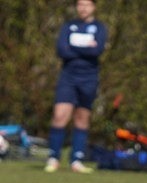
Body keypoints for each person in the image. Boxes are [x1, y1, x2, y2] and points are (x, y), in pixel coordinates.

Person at [45, 0, 107, 173]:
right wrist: (86, 47)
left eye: (86, 5)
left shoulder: (100, 28)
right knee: (60, 115)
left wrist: (74, 47)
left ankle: (76, 160)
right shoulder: (69, 26)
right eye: (80, 4)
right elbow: (61, 50)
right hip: (68, 77)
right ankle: (53, 158)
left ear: (93, 6)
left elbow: (97, 50)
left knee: (82, 117)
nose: (83, 8)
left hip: (89, 78)